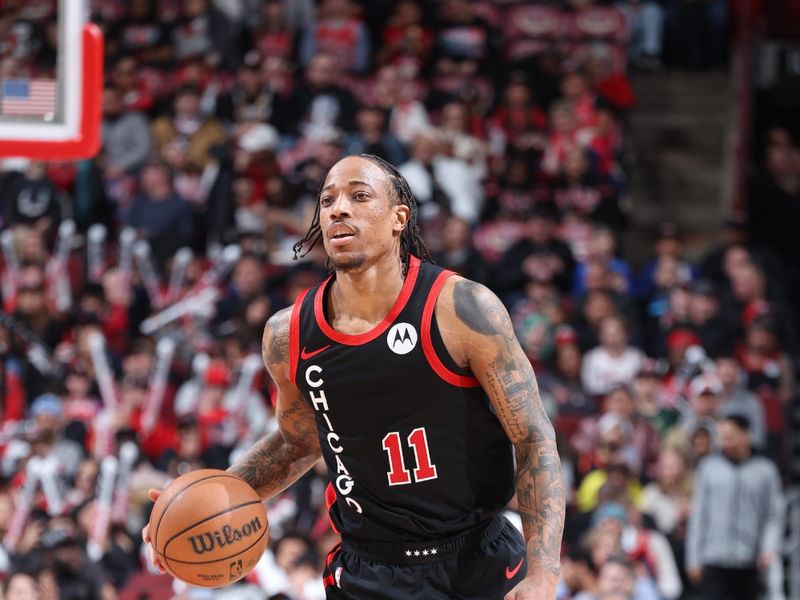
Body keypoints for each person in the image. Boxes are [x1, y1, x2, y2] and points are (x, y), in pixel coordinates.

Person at [143, 154, 566, 599]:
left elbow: (534, 437)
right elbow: (296, 443)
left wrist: (542, 572)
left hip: (477, 559)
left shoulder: (461, 309)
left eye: (359, 196)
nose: (338, 209)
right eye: (327, 200)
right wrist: (198, 506)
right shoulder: (288, 334)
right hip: (370, 572)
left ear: (398, 218)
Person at [685, 414, 784, 600]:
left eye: (731, 436)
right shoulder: (709, 468)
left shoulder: (765, 471)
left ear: (746, 435)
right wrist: (694, 558)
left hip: (749, 560)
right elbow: (699, 515)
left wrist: (768, 548)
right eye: (722, 437)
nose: (725, 442)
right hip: (714, 558)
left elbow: (773, 515)